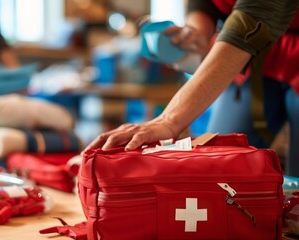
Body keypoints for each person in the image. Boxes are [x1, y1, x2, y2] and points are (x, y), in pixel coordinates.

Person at [85, 0, 299, 177]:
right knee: (217, 170)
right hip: (255, 61)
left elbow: (248, 26)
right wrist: (197, 29)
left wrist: (168, 121)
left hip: (252, 46)